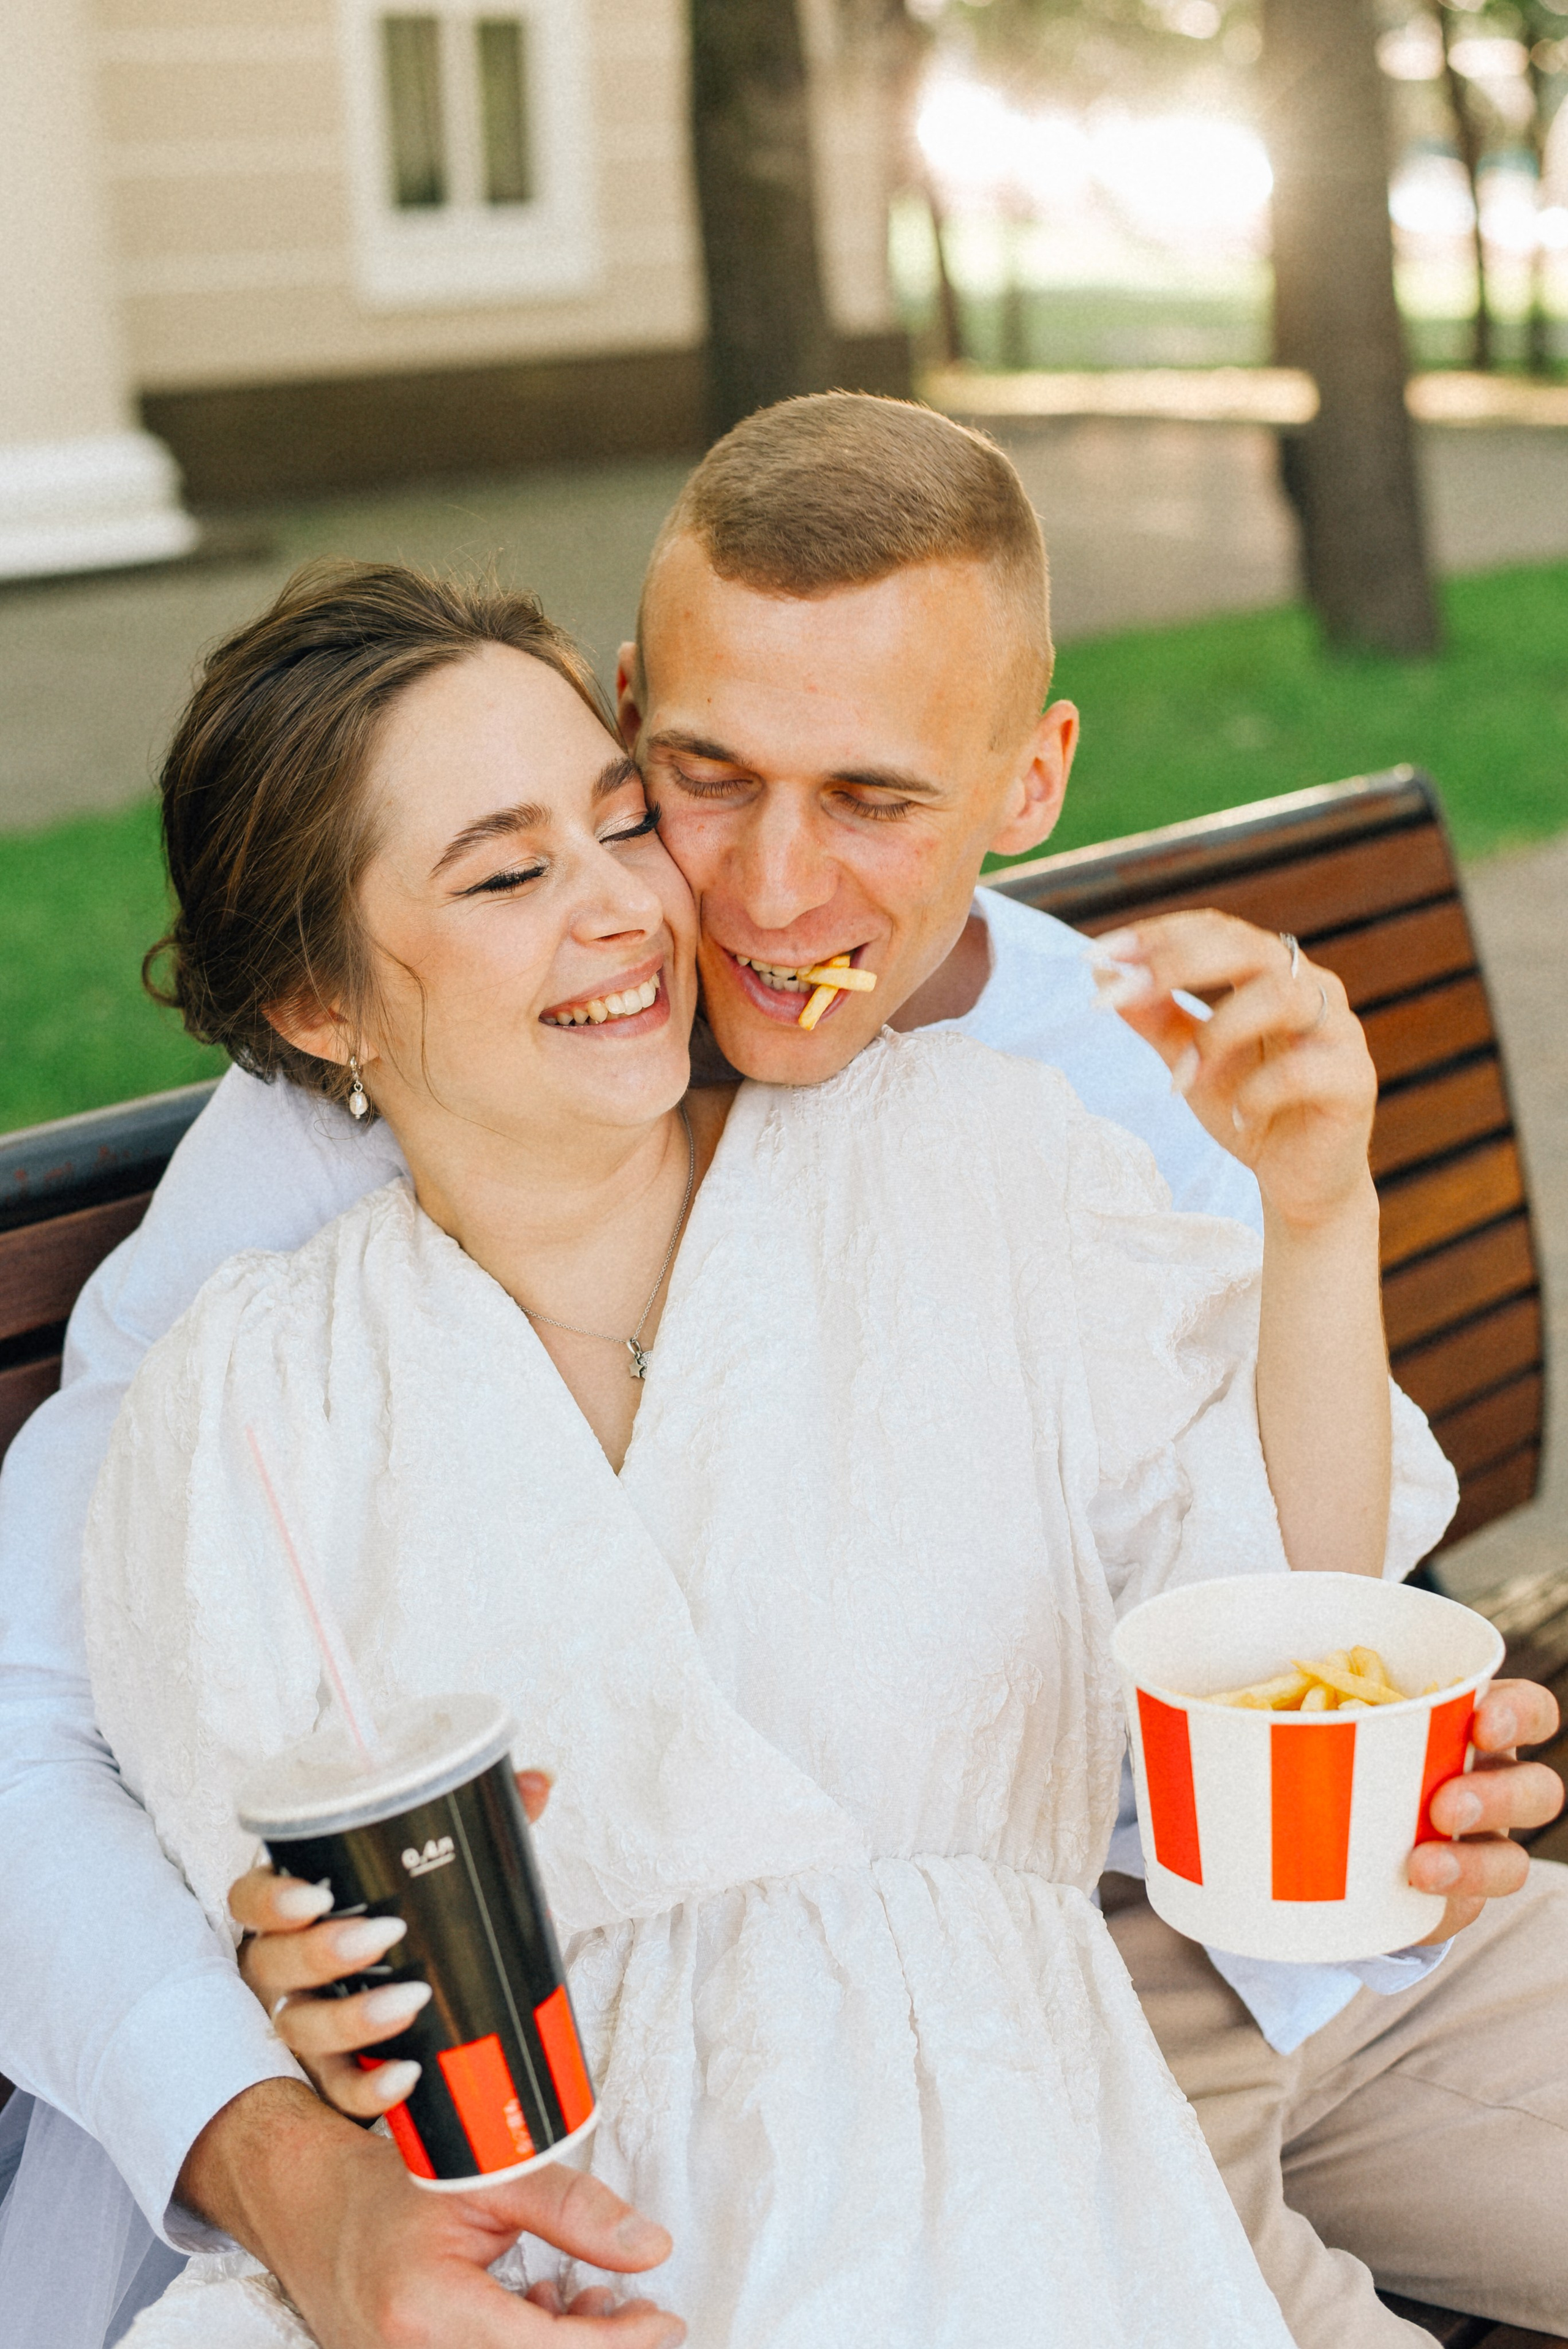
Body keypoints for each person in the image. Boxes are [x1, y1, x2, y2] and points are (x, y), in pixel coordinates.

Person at [0, 396, 1556, 2349]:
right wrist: (278, 2035)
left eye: (875, 799)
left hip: (1169, 2000)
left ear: (1027, 778)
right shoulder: (280, 1310)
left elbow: (1272, 1599)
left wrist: (1324, 1220)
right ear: (643, 700)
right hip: (745, 2156)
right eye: (700, 783)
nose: (736, 890)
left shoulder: (1019, 1110)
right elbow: (117, 1751)